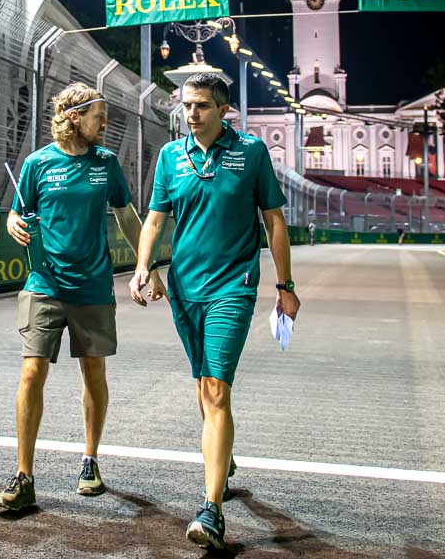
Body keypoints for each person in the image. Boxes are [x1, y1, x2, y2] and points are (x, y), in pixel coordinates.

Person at [129, 72, 302, 550]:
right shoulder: (170, 157)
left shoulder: (251, 153)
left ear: (224, 110)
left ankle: (212, 510)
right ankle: (222, 460)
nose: (192, 114)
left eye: (202, 105)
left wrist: (284, 285)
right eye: (187, 105)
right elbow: (157, 219)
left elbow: (273, 220)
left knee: (215, 387)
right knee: (204, 388)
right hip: (186, 288)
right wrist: (144, 266)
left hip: (234, 286)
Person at [0, 83, 163, 512]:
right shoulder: (36, 164)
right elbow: (18, 210)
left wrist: (148, 266)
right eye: (98, 116)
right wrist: (13, 222)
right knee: (31, 372)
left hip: (92, 286)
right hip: (44, 285)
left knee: (93, 373)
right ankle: (23, 475)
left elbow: (126, 215)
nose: (104, 124)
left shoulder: (106, 163)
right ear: (72, 117)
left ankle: (90, 459)